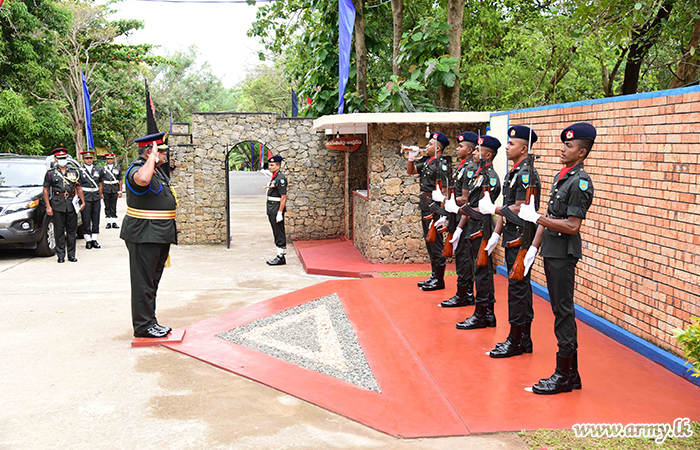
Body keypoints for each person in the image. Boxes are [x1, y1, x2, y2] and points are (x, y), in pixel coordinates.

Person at [518, 122, 596, 395]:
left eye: (569, 146)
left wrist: (537, 217)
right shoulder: (562, 176)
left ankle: (563, 374)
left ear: (582, 153)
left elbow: (573, 225)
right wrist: (534, 248)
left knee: (563, 312)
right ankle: (571, 375)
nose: (563, 149)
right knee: (559, 311)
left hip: (564, 254)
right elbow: (550, 218)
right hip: (552, 251)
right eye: (564, 144)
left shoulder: (580, 182)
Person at [478, 125, 540, 358]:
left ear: (524, 148)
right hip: (512, 237)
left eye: (512, 144)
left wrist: (494, 209)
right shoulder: (515, 172)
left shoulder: (527, 173)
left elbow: (521, 208)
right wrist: (497, 232)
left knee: (518, 289)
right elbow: (509, 208)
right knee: (519, 288)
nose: (507, 146)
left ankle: (516, 339)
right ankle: (523, 338)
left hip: (521, 239)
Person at [121, 132, 176, 339]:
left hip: (157, 235)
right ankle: (143, 326)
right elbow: (143, 180)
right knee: (143, 282)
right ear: (149, 152)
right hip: (144, 235)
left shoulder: (157, 171)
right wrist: (152, 157)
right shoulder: (138, 169)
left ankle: (150, 321)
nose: (165, 155)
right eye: (161, 151)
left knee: (152, 281)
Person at [448, 135, 502, 327]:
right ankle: (485, 314)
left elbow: (485, 209)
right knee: (478, 270)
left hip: (482, 229)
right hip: (471, 227)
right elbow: (471, 205)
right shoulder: (478, 175)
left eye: (479, 150)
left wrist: (459, 209)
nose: (475, 153)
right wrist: (460, 228)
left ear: (488, 154)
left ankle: (484, 313)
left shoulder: (491, 178)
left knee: (483, 272)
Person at [438, 131, 478, 307]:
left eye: (461, 146)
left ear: (470, 150)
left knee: (464, 258)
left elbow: (466, 199)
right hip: (458, 218)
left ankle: (465, 294)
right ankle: (464, 293)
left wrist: (447, 201)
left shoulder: (470, 169)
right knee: (461, 257)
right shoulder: (463, 166)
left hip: (466, 220)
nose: (457, 149)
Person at [406, 132, 450, 291]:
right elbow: (411, 171)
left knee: (436, 243)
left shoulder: (441, 165)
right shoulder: (427, 162)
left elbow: (444, 191)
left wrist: (443, 214)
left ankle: (439, 279)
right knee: (429, 242)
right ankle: (434, 275)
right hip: (426, 206)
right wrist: (411, 158)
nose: (427, 146)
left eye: (430, 144)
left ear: (438, 148)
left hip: (435, 208)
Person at [43, 148, 85, 263]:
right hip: (57, 203)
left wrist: (83, 201)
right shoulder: (51, 173)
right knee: (59, 231)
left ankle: (71, 255)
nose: (62, 160)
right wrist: (48, 206)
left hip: (71, 203)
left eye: (64, 158)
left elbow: (78, 187)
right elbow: (46, 190)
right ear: (56, 160)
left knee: (72, 231)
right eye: (60, 158)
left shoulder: (73, 171)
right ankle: (60, 255)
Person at [265, 154, 288, 266]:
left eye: (272, 165)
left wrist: (280, 212)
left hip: (276, 208)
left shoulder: (281, 178)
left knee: (279, 232)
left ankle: (281, 256)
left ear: (278, 166)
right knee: (276, 231)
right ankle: (279, 255)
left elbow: (283, 197)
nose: (270, 167)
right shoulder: (274, 177)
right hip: (272, 208)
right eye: (269, 165)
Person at [78, 150, 102, 249]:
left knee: (96, 217)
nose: (89, 160)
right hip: (85, 196)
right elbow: (78, 186)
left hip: (96, 196)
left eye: (91, 158)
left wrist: (101, 195)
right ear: (83, 159)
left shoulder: (98, 170)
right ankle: (88, 239)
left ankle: (94, 238)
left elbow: (100, 184)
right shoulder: (80, 170)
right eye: (87, 158)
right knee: (86, 218)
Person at [100, 152, 122, 229]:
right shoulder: (102, 169)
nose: (110, 160)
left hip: (114, 189)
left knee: (113, 205)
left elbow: (120, 180)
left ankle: (114, 221)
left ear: (113, 160)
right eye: (108, 159)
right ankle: (108, 222)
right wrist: (101, 192)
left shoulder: (117, 168)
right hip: (106, 189)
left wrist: (120, 191)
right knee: (107, 206)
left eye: (111, 159)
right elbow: (100, 181)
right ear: (106, 160)